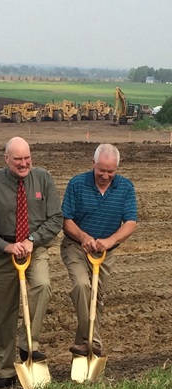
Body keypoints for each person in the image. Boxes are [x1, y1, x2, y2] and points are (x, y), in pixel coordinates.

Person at [0, 137, 62, 388]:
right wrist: (4, 245)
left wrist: (31, 240)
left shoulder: (43, 179)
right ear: (6, 159)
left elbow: (55, 218)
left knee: (42, 285)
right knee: (3, 312)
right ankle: (5, 372)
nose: (23, 163)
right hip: (1, 252)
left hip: (34, 248)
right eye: (17, 159)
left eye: (27, 157)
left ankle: (28, 343)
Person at [61, 143, 137, 357]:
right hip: (75, 247)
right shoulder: (77, 184)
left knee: (96, 298)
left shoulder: (125, 187)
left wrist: (110, 241)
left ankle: (82, 348)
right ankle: (94, 342)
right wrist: (84, 237)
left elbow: (131, 221)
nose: (105, 175)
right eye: (101, 170)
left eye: (110, 171)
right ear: (93, 164)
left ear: (117, 169)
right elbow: (66, 220)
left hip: (105, 252)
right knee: (82, 286)